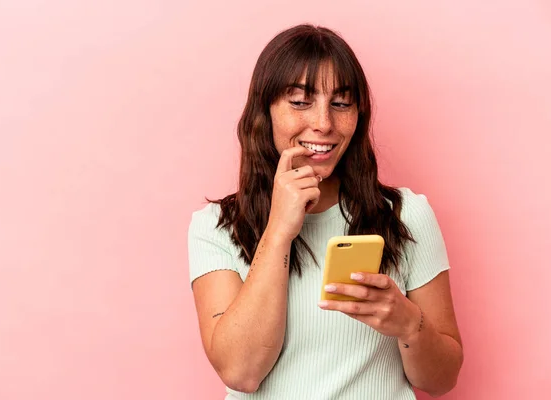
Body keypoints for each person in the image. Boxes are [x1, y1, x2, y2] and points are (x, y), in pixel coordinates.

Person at [187, 24, 463, 399]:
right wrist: (280, 229)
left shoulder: (406, 215)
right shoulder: (215, 228)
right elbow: (241, 371)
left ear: (358, 113)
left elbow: (442, 379)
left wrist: (408, 324)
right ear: (264, 111)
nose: (323, 124)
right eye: (300, 102)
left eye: (340, 103)